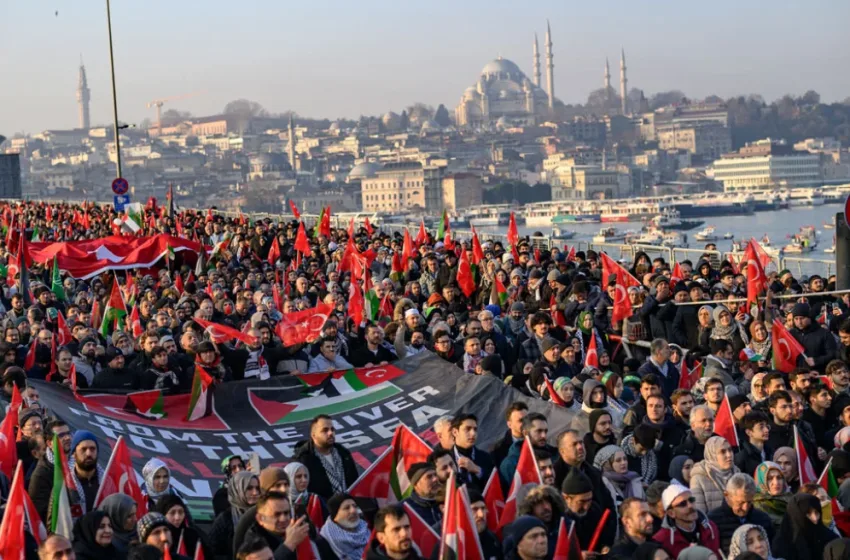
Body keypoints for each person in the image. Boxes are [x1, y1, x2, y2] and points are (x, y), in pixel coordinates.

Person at [293, 415, 359, 500]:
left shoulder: (343, 453)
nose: (330, 433)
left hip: (348, 507)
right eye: (325, 430)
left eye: (332, 429)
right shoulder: (303, 460)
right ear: (313, 435)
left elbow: (355, 482)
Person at [706, 473, 774, 553]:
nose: (745, 508)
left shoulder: (763, 519)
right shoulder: (712, 521)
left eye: (749, 502)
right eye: (740, 503)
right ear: (727, 495)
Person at [652, 484, 720, 558]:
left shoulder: (710, 527)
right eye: (683, 504)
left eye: (691, 500)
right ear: (671, 513)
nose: (690, 505)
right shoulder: (662, 540)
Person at [239, 491, 311, 559]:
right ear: (260, 519)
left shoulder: (294, 530)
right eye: (276, 515)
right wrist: (289, 544)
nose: (283, 519)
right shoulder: (252, 540)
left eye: (286, 513)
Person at [560, 469, 617, 553]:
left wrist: (605, 546)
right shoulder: (558, 517)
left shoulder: (594, 510)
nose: (586, 507)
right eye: (581, 502)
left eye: (589, 500)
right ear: (567, 498)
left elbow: (604, 535)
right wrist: (577, 556)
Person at [209, 471, 260, 559]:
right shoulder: (225, 519)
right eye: (249, 488)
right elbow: (212, 553)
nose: (255, 493)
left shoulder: (264, 515)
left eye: (257, 488)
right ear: (237, 489)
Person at [771, 493, 838, 560]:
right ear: (796, 516)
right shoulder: (781, 545)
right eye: (808, 513)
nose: (815, 518)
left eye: (817, 512)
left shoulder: (829, 537)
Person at [689, 436, 740, 513]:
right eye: (723, 452)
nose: (729, 455)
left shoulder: (737, 474)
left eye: (730, 450)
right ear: (711, 455)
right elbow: (700, 513)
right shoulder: (698, 478)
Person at [154, 494, 211, 560]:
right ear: (163, 514)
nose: (177, 517)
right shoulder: (157, 537)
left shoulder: (192, 535)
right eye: (172, 513)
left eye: (181, 512)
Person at [318, 493, 371, 560]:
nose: (353, 511)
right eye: (346, 508)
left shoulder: (366, 528)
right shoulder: (325, 541)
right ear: (335, 515)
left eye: (355, 506)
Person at [451, 413, 494, 492]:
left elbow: (496, 485)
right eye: (467, 429)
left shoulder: (486, 458)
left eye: (475, 429)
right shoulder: (446, 458)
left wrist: (478, 470)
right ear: (455, 432)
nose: (473, 433)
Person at [736, 411, 773, 477]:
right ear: (749, 432)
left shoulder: (771, 452)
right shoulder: (741, 458)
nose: (766, 430)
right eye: (761, 427)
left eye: (767, 426)